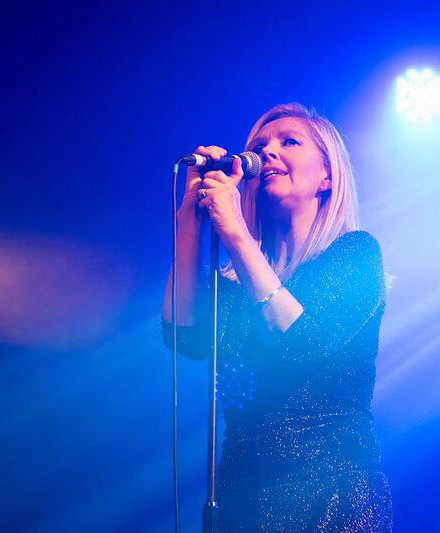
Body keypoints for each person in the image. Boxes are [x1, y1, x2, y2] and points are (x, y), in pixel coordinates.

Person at [162, 103, 392, 531]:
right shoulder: (232, 287)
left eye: (289, 142)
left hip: (330, 497)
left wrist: (233, 229)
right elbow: (182, 335)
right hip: (240, 501)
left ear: (327, 176)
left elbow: (301, 340)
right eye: (258, 146)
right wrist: (189, 213)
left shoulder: (355, 255)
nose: (269, 152)